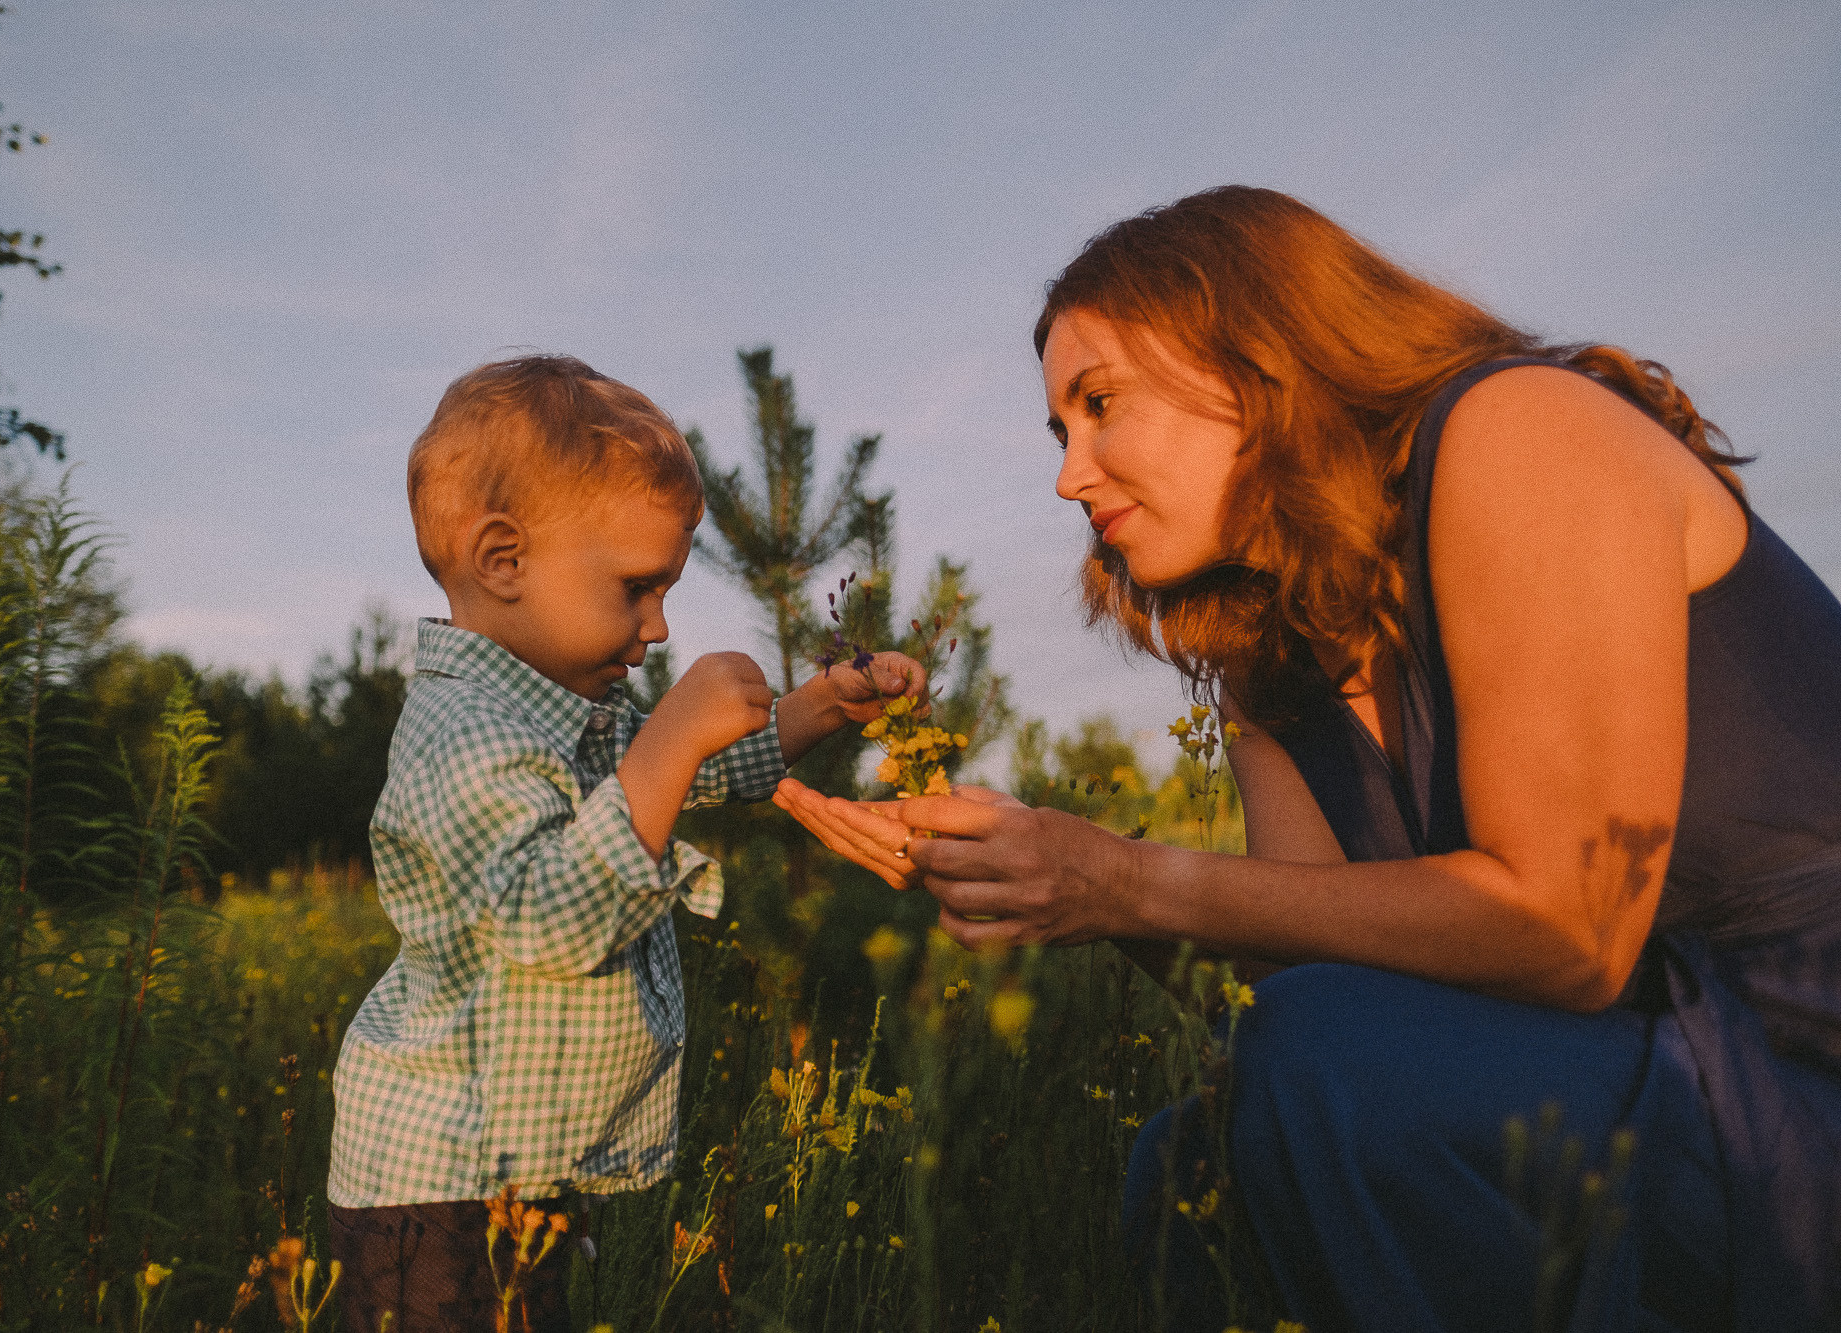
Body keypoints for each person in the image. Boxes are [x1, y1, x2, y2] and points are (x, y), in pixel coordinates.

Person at [774, 186, 1841, 1330]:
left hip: (1790, 1077)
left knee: (1313, 1070)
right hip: (1621, 1087)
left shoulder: (1519, 427)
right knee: (1191, 1163)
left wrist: (1124, 877)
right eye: (1058, 432)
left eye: (1099, 405)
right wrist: (1056, 882)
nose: (1067, 474)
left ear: (1257, 363)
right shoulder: (1262, 653)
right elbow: (1305, 980)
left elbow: (1566, 925)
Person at [327, 355, 923, 1333]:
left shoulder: (568, 712)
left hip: (518, 1173)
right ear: (503, 560)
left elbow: (690, 779)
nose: (657, 627)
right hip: (433, 1190)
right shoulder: (461, 734)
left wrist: (815, 706)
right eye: (635, 588)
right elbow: (550, 919)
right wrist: (667, 740)